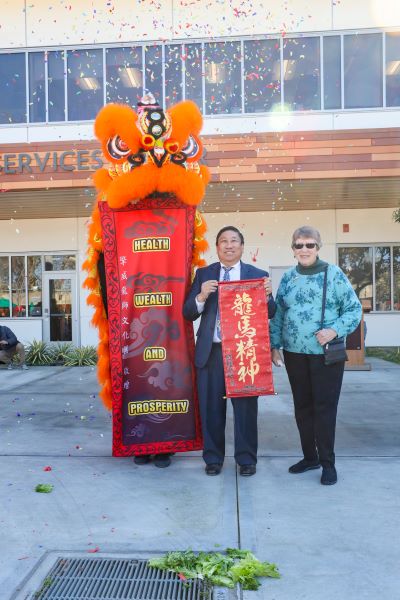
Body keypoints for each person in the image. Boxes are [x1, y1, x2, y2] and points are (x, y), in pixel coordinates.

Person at [270, 226, 362, 486]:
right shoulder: (288, 278)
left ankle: (327, 463)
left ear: (318, 246)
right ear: (293, 249)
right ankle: (309, 457)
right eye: (299, 245)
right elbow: (278, 314)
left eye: (309, 245)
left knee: (324, 409)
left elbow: (353, 310)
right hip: (294, 354)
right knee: (302, 409)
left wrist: (334, 330)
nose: (304, 250)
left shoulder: (333, 274)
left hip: (325, 355)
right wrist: (275, 345)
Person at [183, 226, 276, 476]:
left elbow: (272, 312)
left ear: (242, 246)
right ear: (217, 247)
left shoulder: (257, 274)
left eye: (234, 240)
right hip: (211, 352)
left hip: (243, 351)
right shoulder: (204, 274)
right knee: (211, 408)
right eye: (223, 241)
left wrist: (267, 297)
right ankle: (213, 459)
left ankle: (246, 460)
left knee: (246, 409)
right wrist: (201, 296)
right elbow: (188, 312)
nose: (229, 245)